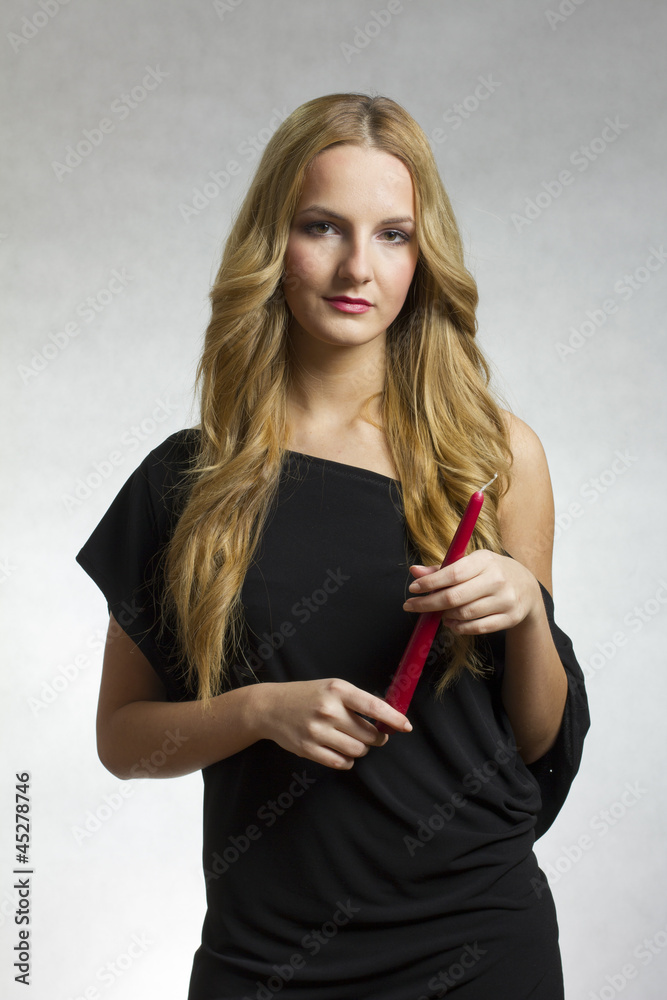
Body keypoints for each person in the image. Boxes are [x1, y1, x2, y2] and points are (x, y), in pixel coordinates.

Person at [75, 92, 590, 999]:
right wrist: (257, 711)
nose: (358, 266)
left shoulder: (493, 455)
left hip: (480, 940)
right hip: (267, 957)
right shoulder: (188, 480)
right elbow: (123, 740)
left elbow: (540, 737)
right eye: (322, 227)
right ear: (273, 243)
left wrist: (524, 614)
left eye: (392, 235)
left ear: (422, 257)